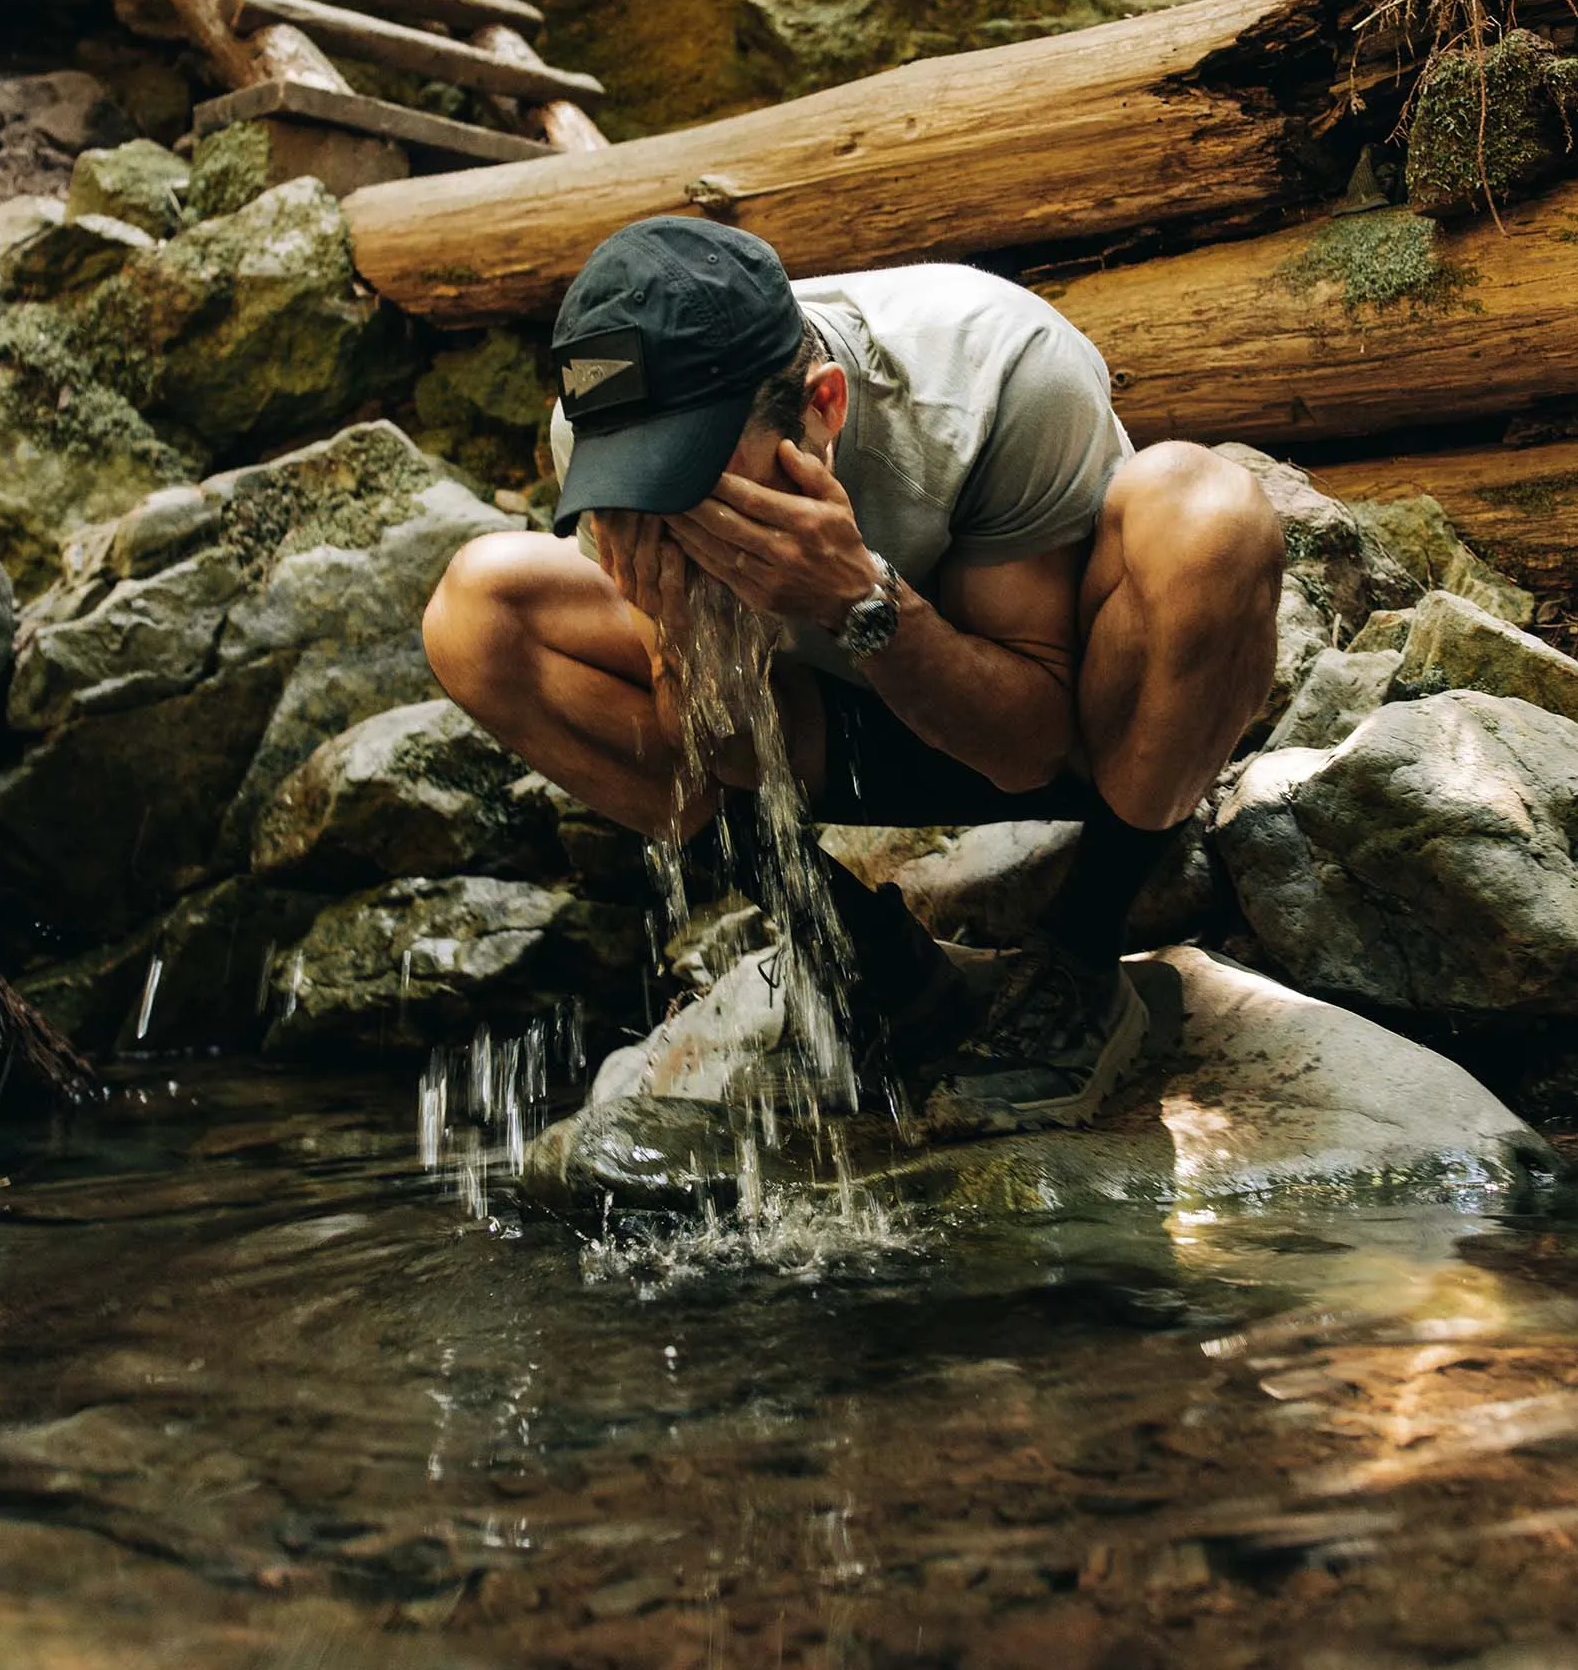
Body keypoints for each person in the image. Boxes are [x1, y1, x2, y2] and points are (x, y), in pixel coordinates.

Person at [423, 217, 1283, 1133]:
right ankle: (857, 952)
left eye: (701, 482)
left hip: (1067, 728)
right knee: (479, 614)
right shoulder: (606, 429)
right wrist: (682, 637)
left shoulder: (997, 373)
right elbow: (707, 749)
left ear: (824, 406)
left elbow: (1027, 749)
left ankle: (1082, 953)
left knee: (1211, 516)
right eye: (645, 483)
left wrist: (859, 597)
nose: (671, 511)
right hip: (830, 736)